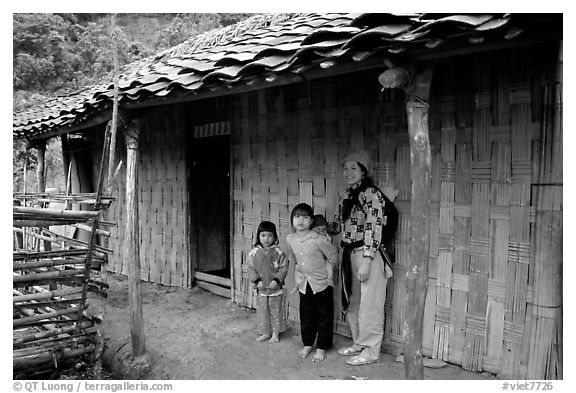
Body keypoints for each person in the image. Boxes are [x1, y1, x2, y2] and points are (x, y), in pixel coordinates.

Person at [331, 150, 394, 366]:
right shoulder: (347, 196)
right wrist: (323, 228)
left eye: (353, 168)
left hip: (370, 254)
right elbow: (338, 225)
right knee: (354, 302)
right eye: (345, 168)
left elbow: (373, 226)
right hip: (350, 253)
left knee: (371, 304)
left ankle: (371, 350)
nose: (348, 172)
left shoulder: (371, 195)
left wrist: (367, 260)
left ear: (364, 171)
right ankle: (359, 342)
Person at [286, 203, 338, 362]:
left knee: (324, 316)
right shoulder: (290, 239)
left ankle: (322, 346)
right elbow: (292, 258)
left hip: (322, 283)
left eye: (305, 217)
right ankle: (308, 343)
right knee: (307, 316)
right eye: (297, 216)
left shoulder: (318, 239)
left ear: (311, 221)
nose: (300, 220)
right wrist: (295, 279)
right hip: (304, 284)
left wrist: (330, 273)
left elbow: (333, 253)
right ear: (292, 219)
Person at [246, 221, 288, 344]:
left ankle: (275, 334)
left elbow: (284, 267)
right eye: (263, 235)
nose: (266, 239)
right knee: (263, 312)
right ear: (258, 236)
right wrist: (256, 280)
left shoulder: (279, 252)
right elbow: (249, 268)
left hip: (276, 290)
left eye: (270, 235)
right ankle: (266, 332)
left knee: (276, 311)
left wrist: (277, 280)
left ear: (275, 237)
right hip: (262, 290)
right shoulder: (254, 253)